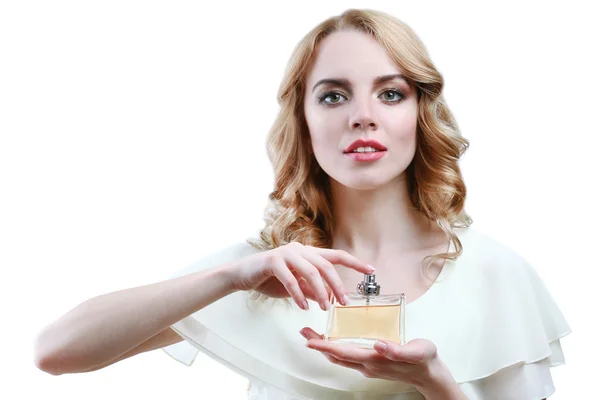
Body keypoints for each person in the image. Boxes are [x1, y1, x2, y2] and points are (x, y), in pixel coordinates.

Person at [33, 8, 571, 400]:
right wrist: (232, 277)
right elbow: (56, 352)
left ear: (419, 114)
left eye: (390, 93)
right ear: (305, 121)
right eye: (334, 95)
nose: (363, 115)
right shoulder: (271, 270)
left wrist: (434, 384)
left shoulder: (495, 274)